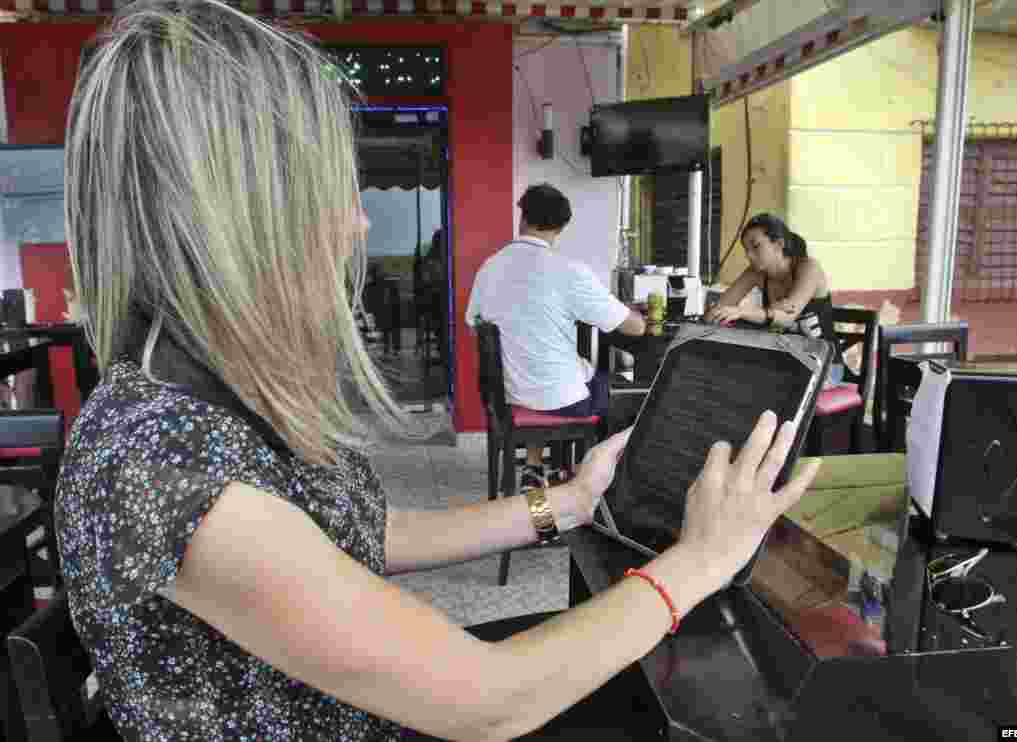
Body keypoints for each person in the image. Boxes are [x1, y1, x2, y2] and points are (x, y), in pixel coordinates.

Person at [58, 3, 820, 741]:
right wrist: (701, 561)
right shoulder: (161, 462)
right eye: (332, 192)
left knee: (647, 677)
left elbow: (363, 532)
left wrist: (571, 500)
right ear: (236, 218)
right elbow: (490, 703)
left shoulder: (201, 399)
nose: (358, 222)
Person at [465, 183, 646, 488]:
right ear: (562, 227)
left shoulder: (489, 267)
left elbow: (474, 320)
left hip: (510, 395)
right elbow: (635, 327)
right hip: (559, 402)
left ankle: (535, 468)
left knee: (562, 373)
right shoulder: (569, 270)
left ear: (522, 217)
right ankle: (580, 481)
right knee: (610, 386)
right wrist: (635, 312)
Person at [705, 213, 835, 345]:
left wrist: (742, 311)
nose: (749, 255)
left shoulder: (809, 267)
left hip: (824, 362)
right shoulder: (756, 272)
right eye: (746, 250)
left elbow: (787, 317)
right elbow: (718, 310)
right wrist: (717, 312)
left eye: (756, 246)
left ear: (779, 244)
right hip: (782, 358)